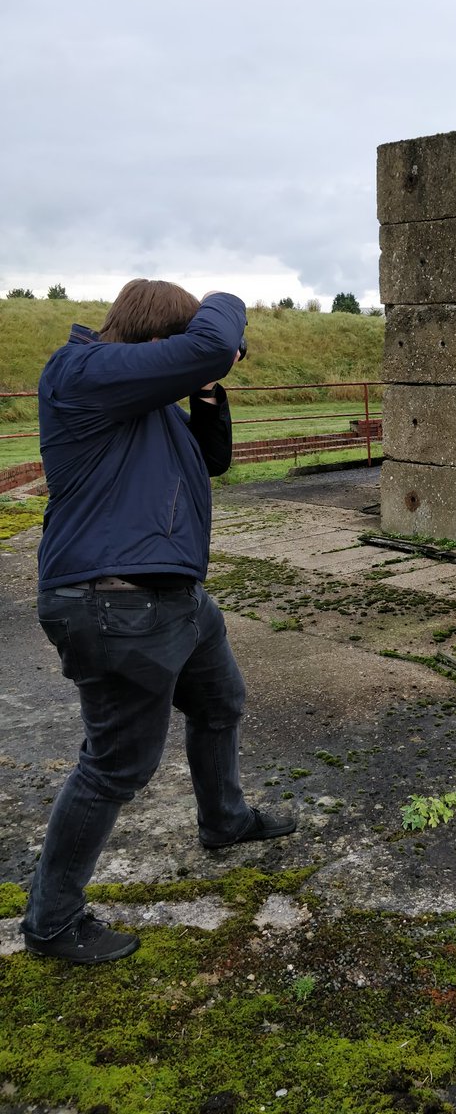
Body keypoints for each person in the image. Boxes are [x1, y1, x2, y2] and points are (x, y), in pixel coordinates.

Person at [21, 280, 296, 965]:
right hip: (113, 602)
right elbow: (212, 340)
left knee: (220, 703)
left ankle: (224, 820)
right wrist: (223, 308)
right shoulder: (80, 371)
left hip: (176, 597)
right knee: (115, 767)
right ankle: (52, 922)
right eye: (184, 346)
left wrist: (206, 390)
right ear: (157, 340)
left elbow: (212, 460)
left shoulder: (146, 402)